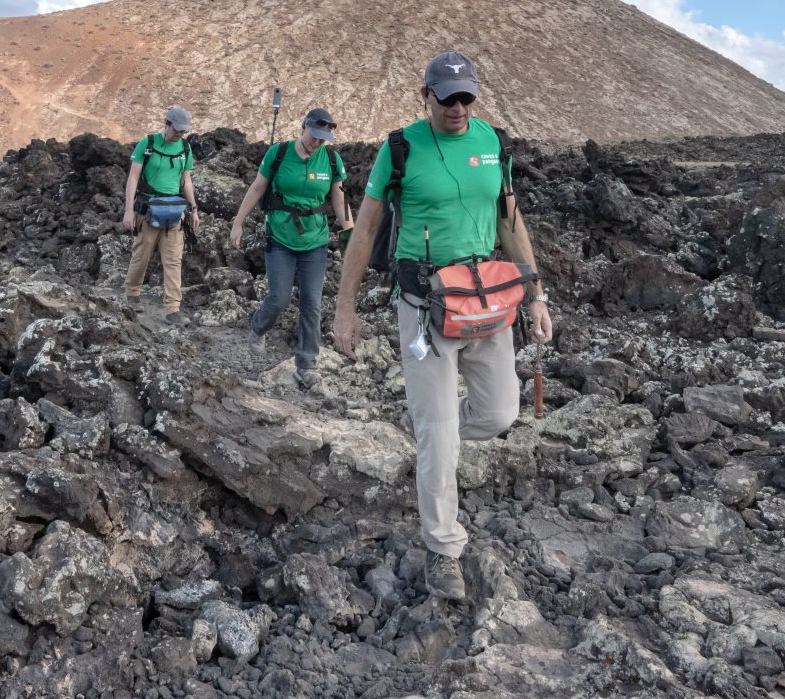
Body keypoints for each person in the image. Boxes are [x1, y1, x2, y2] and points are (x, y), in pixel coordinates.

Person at [332, 52, 553, 603]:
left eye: (466, 97)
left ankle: (435, 443)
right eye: (446, 96)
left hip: (488, 301)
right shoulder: (400, 148)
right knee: (437, 428)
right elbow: (367, 228)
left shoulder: (492, 144)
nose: (457, 107)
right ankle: (443, 548)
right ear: (424, 95)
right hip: (424, 303)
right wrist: (345, 307)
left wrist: (537, 297)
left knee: (501, 413)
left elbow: (509, 219)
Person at [228, 107, 351, 387]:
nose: (317, 142)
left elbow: (340, 200)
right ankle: (258, 327)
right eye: (314, 135)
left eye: (323, 138)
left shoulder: (331, 160)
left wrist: (349, 237)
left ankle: (306, 364)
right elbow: (258, 188)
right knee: (280, 297)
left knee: (312, 303)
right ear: (302, 127)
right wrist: (238, 223)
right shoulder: (278, 154)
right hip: (280, 237)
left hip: (315, 241)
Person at [121, 105, 202, 324]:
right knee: (142, 254)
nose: (180, 135)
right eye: (177, 130)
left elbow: (186, 180)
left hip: (174, 212)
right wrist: (129, 211)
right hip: (147, 210)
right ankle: (132, 293)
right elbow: (133, 178)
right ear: (166, 124)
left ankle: (172, 309)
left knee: (174, 260)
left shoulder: (185, 148)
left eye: (183, 131)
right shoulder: (146, 144)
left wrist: (194, 209)